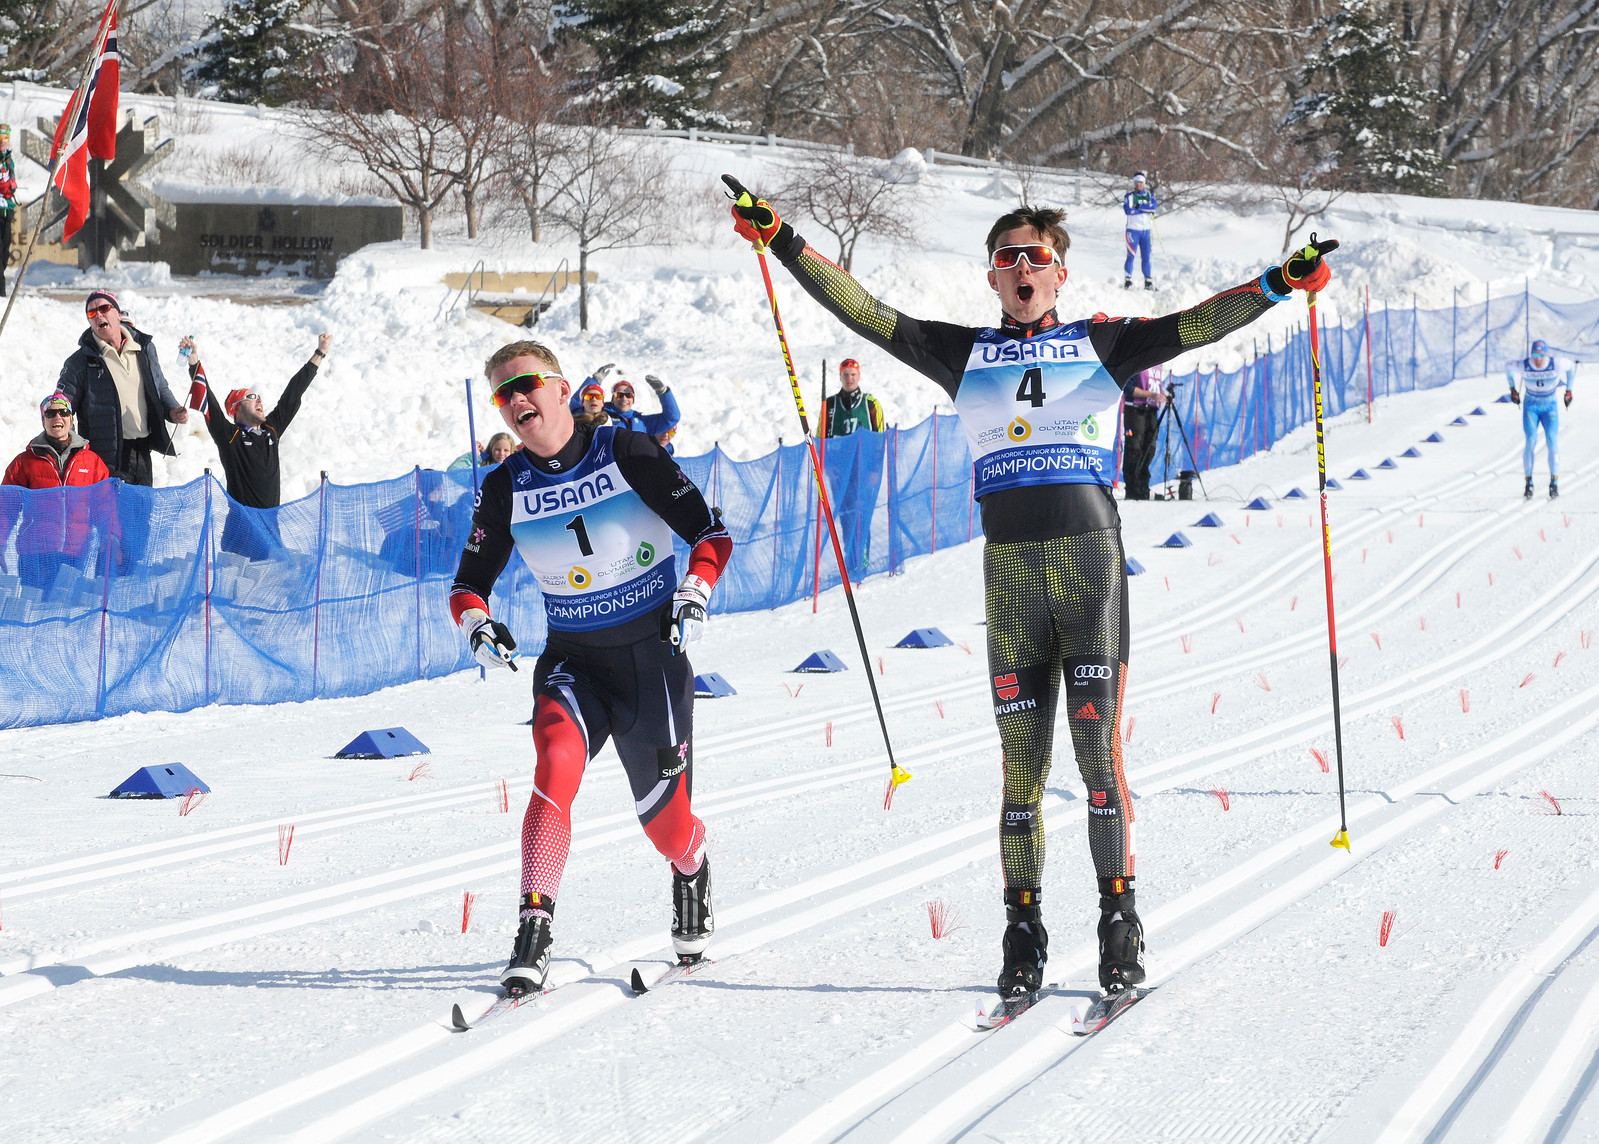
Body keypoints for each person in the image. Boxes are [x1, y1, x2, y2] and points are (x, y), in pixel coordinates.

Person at [728, 183, 1337, 1003]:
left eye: (1035, 258)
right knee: (1020, 772)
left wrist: (1278, 281)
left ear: (1059, 275)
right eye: (1006, 258)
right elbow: (868, 315)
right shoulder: (963, 353)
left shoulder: (1102, 343)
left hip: (1089, 567)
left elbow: (1192, 326)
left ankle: (1118, 924)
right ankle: (1022, 932)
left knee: (1096, 763)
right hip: (1010, 573)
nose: (1021, 268)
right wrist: (783, 239)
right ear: (991, 278)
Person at [450, 339, 733, 996]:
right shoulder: (504, 486)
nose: (515, 400)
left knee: (667, 828)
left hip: (650, 663)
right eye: (502, 393)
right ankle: (533, 930)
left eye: (524, 384)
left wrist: (695, 589)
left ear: (558, 387)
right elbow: (467, 584)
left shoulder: (626, 452)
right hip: (573, 661)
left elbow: (710, 533)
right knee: (553, 766)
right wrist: (477, 626)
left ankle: (690, 868)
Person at [183, 332, 330, 557]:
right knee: (237, 590)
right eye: (251, 398)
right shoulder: (230, 437)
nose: (259, 400)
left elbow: (293, 393)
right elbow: (208, 401)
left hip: (270, 532)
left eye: (258, 396)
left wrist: (319, 353)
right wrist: (194, 361)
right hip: (241, 535)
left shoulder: (272, 430)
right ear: (237, 409)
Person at [57, 290, 188, 486]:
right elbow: (62, 406)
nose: (98, 315)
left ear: (118, 314)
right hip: (105, 455)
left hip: (142, 449)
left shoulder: (144, 348)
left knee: (142, 511)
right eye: (92, 313)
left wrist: (173, 410)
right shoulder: (80, 361)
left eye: (104, 308)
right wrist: (73, 448)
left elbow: (159, 385)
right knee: (113, 515)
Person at [1, 393, 112, 592]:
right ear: (43, 420)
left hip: (75, 553)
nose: (57, 418)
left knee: (65, 611)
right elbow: (6, 507)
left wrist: (111, 538)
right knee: (33, 610)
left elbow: (104, 505)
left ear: (71, 418)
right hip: (34, 554)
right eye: (51, 413)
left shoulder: (92, 462)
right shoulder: (24, 462)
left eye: (63, 412)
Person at [1507, 338, 1575, 500]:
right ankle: (1529, 483)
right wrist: (1512, 389)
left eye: (1540, 355)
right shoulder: (1524, 364)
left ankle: (1554, 482)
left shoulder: (1556, 364)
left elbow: (1571, 367)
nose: (1537, 359)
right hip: (1531, 406)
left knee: (1552, 440)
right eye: (1534, 354)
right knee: (1530, 440)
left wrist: (1569, 390)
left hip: (1549, 406)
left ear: (1545, 354)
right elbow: (1507, 366)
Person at [1121, 369, 1165, 500]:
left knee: (1149, 449)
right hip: (1135, 409)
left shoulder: (1158, 364)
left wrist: (1163, 396)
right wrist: (1150, 394)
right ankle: (1132, 488)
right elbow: (1128, 388)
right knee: (1134, 448)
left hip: (1151, 410)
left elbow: (1154, 387)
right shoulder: (1140, 361)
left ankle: (1143, 487)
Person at [822, 359, 885, 437]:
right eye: (845, 375)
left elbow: (880, 437)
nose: (849, 378)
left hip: (864, 449)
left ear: (859, 376)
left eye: (853, 374)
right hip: (837, 449)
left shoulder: (871, 403)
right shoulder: (829, 403)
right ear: (840, 377)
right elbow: (820, 436)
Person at [1123, 172, 1158, 291]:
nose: (1139, 184)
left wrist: (1137, 207)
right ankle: (1128, 280)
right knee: (1131, 256)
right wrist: (1145, 209)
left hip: (1146, 231)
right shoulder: (1129, 196)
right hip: (1133, 231)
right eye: (1137, 182)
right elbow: (1128, 210)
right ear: (1134, 183)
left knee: (1146, 256)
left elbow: (1153, 207)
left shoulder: (1149, 195)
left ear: (1144, 183)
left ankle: (1148, 281)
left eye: (1141, 182)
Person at [0, 125, 17, 298]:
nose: (2, 143)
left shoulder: (8, 159)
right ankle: (0, 290)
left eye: (5, 139)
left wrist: (11, 186)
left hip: (7, 209)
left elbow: (11, 180)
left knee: (5, 251)